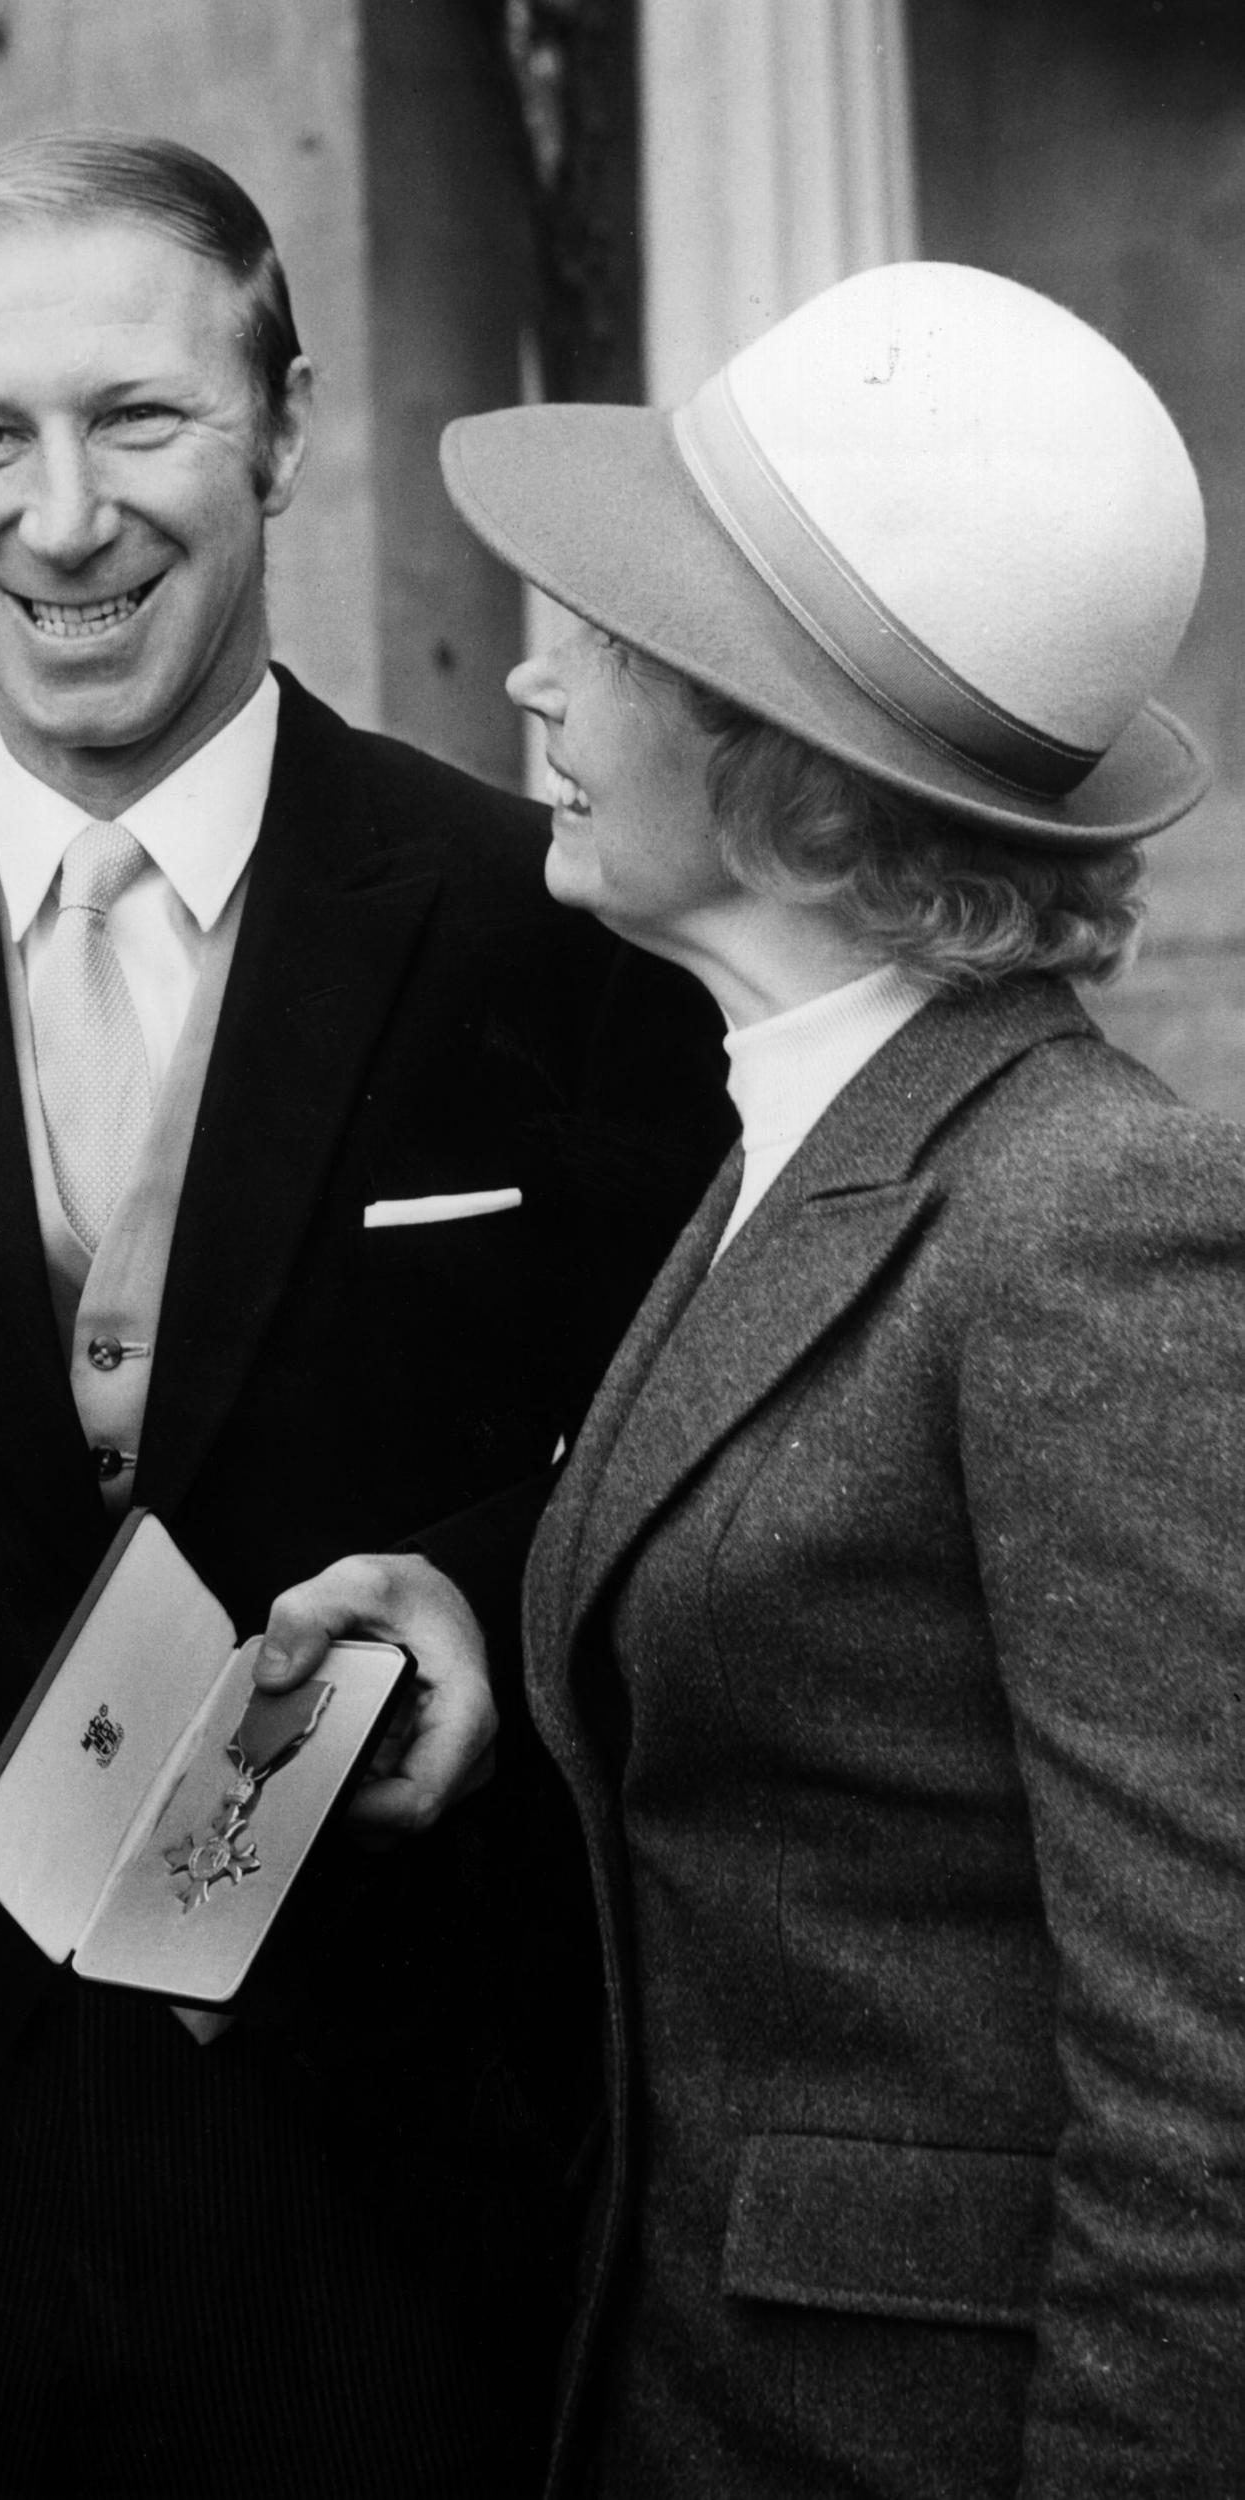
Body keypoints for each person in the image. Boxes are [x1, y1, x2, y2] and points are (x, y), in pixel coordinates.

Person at [0, 132, 729, 2499]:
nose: (63, 515)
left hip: (383, 2205)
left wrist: (483, 1612)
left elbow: (687, 1454)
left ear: (284, 428)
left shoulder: (549, 926)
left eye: (142, 417)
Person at [264, 260, 1245, 2495]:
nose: (522, 671)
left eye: (599, 638)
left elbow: (1210, 2102)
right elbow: (814, 1665)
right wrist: (504, 1627)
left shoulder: (1084, 1222)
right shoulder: (795, 1138)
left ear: (775, 762)